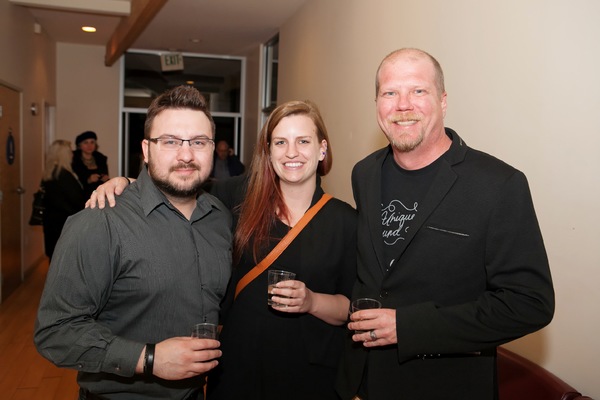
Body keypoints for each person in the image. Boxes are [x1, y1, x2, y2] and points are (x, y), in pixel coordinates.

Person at [88, 100, 357, 400]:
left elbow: (351, 308)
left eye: (303, 141)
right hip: (236, 369)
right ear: (268, 152)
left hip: (309, 373)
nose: (291, 152)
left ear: (322, 149)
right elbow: (178, 185)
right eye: (280, 142)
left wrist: (311, 301)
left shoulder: (345, 220)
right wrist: (126, 183)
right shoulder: (236, 198)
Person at [335, 48, 555, 400]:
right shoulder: (365, 172)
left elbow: (529, 304)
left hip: (444, 385)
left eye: (418, 91)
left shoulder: (497, 184)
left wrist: (408, 327)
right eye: (390, 92)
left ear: (443, 100)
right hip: (363, 380)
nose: (403, 104)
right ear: (377, 102)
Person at [34, 85, 232, 400]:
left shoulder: (219, 217)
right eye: (169, 141)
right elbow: (55, 332)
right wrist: (149, 358)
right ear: (145, 149)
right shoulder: (100, 222)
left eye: (198, 142)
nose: (186, 155)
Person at [40, 139, 85, 259]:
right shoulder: (63, 174)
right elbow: (76, 199)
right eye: (70, 152)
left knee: (55, 257)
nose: (72, 154)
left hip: (52, 222)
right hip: (64, 223)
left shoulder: (50, 173)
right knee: (64, 258)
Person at [72, 130, 110, 198]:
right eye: (85, 142)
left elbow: (105, 174)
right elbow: (72, 183)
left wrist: (105, 179)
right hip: (80, 196)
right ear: (79, 146)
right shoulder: (74, 160)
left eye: (92, 142)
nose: (89, 145)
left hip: (99, 194)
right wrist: (88, 180)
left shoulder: (101, 158)